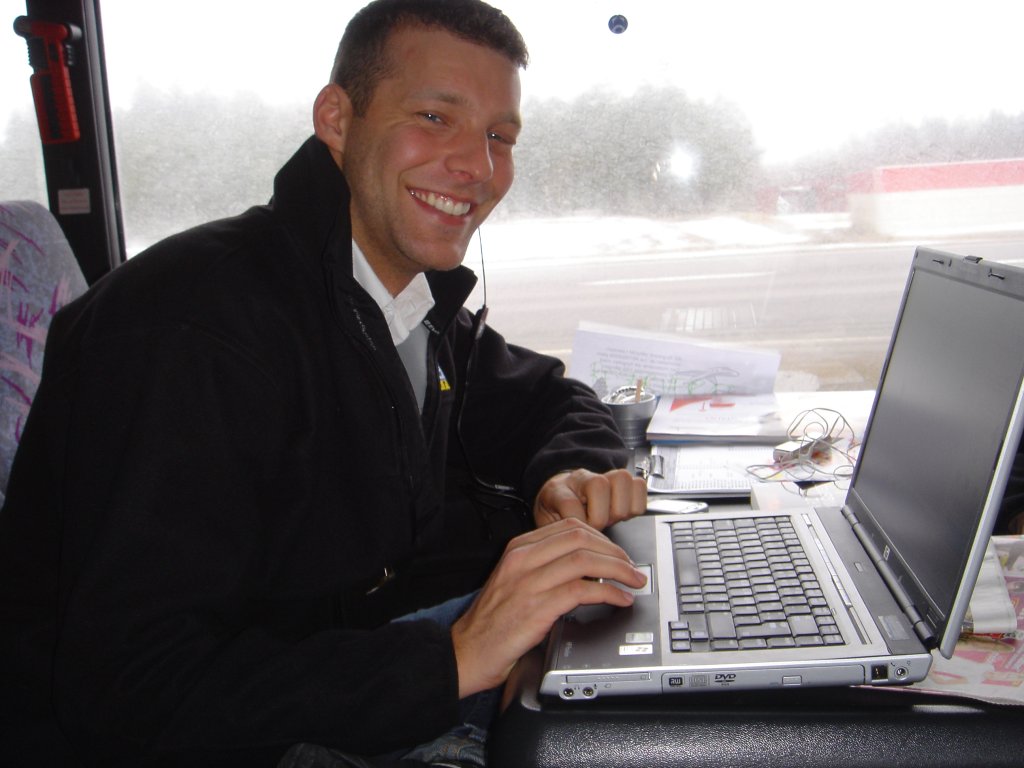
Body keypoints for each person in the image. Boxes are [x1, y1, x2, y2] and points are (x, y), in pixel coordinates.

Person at [0, 1, 648, 766]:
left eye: (499, 136)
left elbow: (549, 399)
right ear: (337, 120)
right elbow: (126, 687)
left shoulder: (402, 300)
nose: (478, 166)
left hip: (334, 654)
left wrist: (567, 473)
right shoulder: (191, 331)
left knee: (631, 654)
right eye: (435, 118)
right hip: (194, 739)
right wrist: (451, 660)